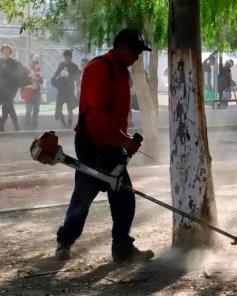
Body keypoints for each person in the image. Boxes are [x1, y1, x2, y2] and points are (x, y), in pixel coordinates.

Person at [55, 28, 154, 262]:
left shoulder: (123, 74)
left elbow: (118, 115)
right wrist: (124, 140)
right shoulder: (98, 68)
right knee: (84, 195)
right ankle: (64, 242)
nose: (137, 57)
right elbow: (96, 116)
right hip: (91, 141)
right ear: (120, 48)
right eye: (135, 51)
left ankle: (122, 247)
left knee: (123, 196)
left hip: (112, 142)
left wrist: (124, 139)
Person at [0, 45, 29, 131]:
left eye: (8, 51)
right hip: (1, 89)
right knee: (9, 107)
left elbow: (22, 73)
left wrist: (25, 83)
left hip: (11, 88)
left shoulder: (15, 62)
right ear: (1, 52)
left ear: (10, 53)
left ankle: (2, 126)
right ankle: (14, 126)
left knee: (6, 105)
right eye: (4, 51)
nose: (6, 53)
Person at [51, 50, 80, 129]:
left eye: (67, 57)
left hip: (70, 90)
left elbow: (77, 78)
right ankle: (63, 123)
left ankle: (69, 124)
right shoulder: (61, 65)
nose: (66, 58)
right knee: (59, 108)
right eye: (65, 57)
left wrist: (77, 88)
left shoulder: (74, 66)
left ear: (70, 57)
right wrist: (55, 78)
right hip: (61, 90)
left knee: (70, 109)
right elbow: (56, 74)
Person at [23, 55, 43, 130]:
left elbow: (41, 80)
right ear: (30, 59)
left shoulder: (38, 68)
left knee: (36, 109)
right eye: (33, 61)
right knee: (28, 109)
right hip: (28, 91)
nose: (35, 63)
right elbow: (23, 79)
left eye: (36, 61)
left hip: (36, 91)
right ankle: (27, 124)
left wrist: (37, 79)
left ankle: (34, 123)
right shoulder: (25, 68)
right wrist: (32, 79)